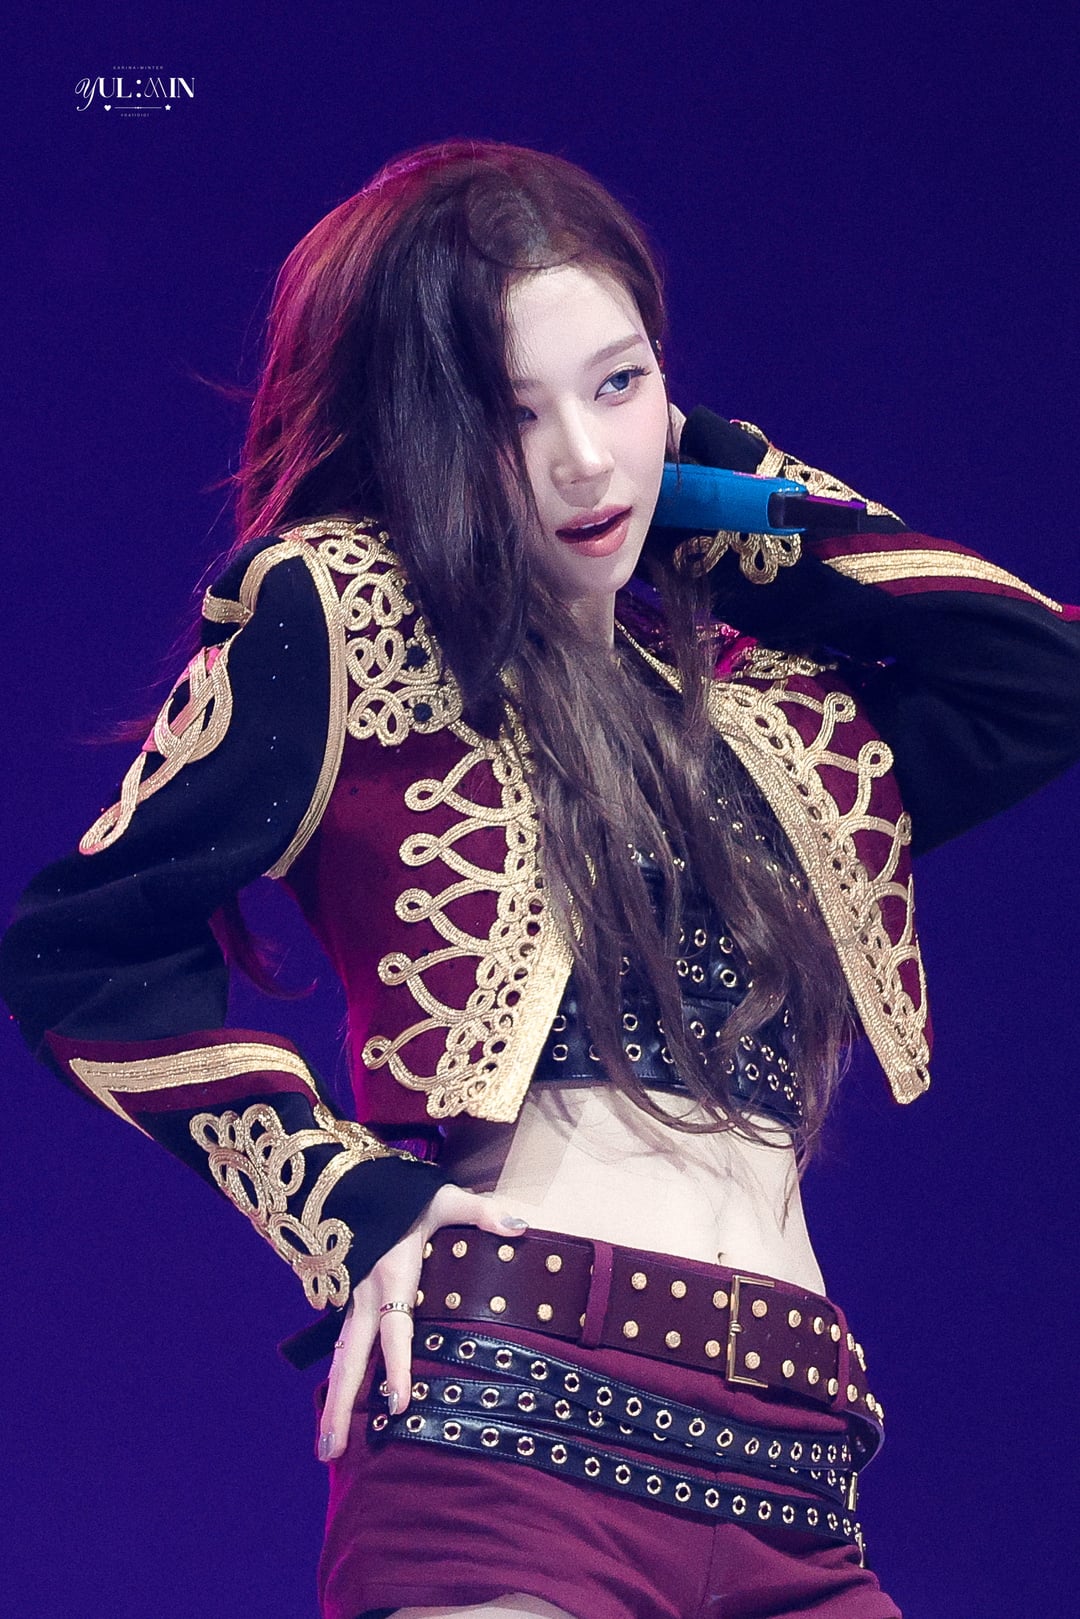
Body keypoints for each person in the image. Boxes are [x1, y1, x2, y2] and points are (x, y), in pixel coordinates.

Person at [2, 138, 1078, 1619]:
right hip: (513, 1417)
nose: (582, 458)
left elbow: (1040, 677)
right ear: (423, 430)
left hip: (797, 1463)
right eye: (511, 413)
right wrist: (346, 1198)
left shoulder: (775, 707)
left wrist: (722, 489)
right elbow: (78, 945)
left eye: (617, 384)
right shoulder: (348, 619)